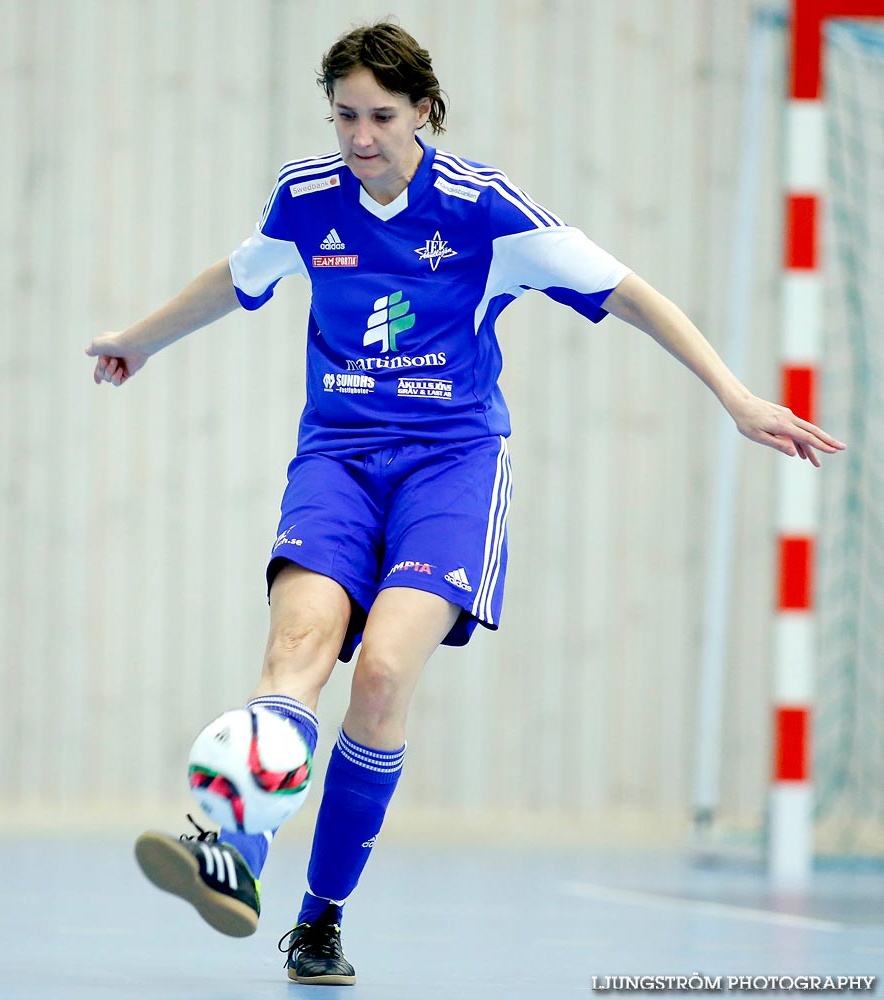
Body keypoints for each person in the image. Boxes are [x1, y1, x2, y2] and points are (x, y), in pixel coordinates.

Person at [86, 21, 846, 987]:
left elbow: (626, 291)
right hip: (337, 459)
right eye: (345, 116)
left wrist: (734, 395)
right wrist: (141, 340)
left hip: (451, 466)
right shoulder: (306, 199)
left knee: (383, 678)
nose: (361, 137)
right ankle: (232, 848)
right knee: (293, 655)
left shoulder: (485, 210)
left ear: (424, 113)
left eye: (382, 117)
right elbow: (238, 281)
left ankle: (319, 920)